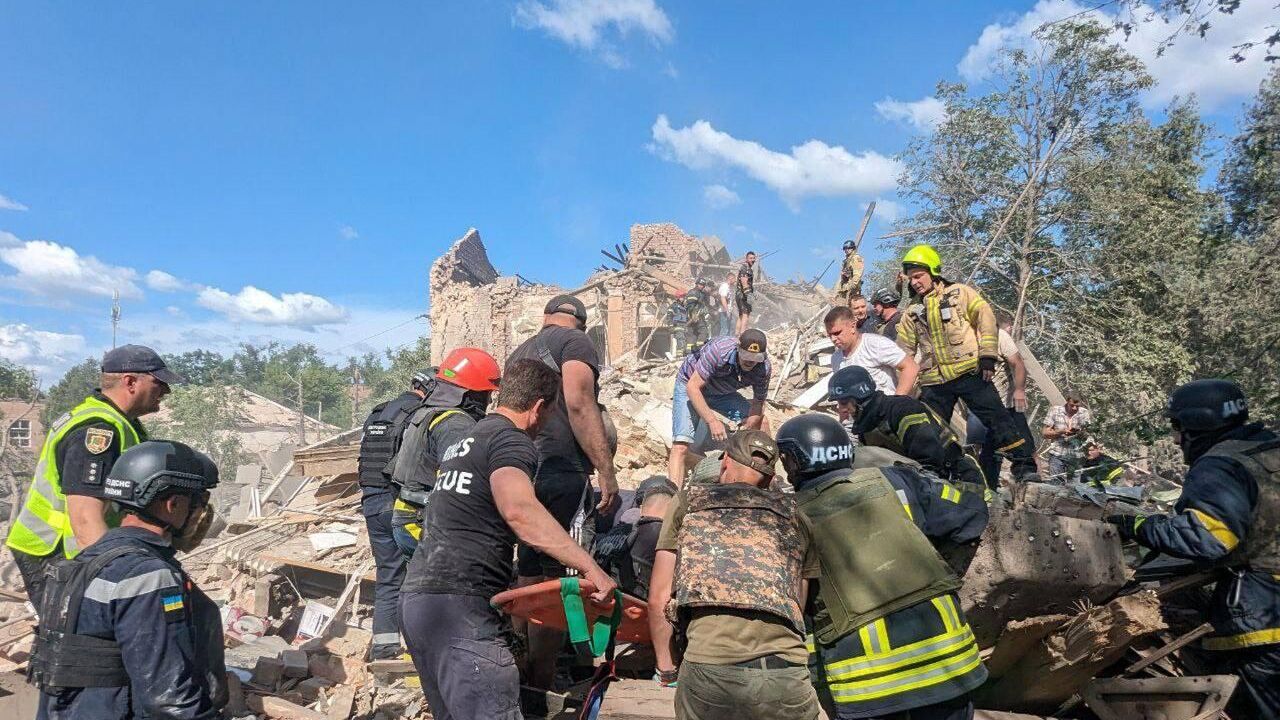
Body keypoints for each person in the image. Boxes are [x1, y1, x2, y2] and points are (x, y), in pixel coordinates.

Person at [400, 359, 617, 720]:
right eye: (549, 416)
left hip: (420, 604)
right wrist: (590, 567)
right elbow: (519, 510)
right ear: (538, 407)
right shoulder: (510, 440)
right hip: (460, 609)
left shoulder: (466, 439)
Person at [776, 414, 987, 720]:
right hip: (950, 668)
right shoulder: (897, 481)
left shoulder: (789, 519)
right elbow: (970, 514)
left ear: (792, 462)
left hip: (867, 689)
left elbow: (797, 611)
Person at [1106, 380, 1279, 719]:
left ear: (1198, 424)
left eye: (1177, 427)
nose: (1175, 438)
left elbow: (1209, 539)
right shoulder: (1269, 449)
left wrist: (1138, 526)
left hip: (1265, 619)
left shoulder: (1221, 465)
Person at [32, 440, 225, 720]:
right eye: (197, 503)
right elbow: (168, 700)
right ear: (173, 504)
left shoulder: (81, 564)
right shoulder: (148, 576)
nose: (200, 514)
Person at [648, 430, 822, 719]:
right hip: (787, 675)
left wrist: (667, 671)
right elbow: (796, 606)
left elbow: (659, 596)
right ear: (770, 479)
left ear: (725, 462)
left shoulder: (688, 502)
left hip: (712, 670)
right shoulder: (797, 516)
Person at [6, 344, 184, 606]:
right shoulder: (96, 431)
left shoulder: (123, 424)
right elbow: (85, 520)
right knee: (72, 635)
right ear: (130, 381)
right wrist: (119, 578)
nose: (166, 391)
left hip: (79, 551)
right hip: (55, 551)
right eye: (159, 383)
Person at [506, 294, 617, 690]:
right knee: (562, 575)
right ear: (581, 323)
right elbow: (580, 402)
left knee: (528, 569)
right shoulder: (576, 343)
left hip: (522, 468)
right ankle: (542, 680)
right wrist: (605, 469)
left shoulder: (520, 350)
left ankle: (518, 660)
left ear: (546, 317)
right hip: (562, 470)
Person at [896, 244, 1038, 482]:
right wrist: (902, 388)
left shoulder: (960, 294)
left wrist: (987, 357)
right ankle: (934, 473)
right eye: (911, 279)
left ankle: (1024, 468)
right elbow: (904, 351)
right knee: (931, 431)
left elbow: (986, 318)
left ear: (933, 271)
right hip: (935, 381)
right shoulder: (911, 312)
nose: (915, 282)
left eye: (919, 276)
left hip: (970, 372)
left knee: (999, 422)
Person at [385, 349, 502, 560]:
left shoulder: (427, 412)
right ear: (471, 394)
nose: (488, 401)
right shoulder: (456, 423)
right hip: (422, 521)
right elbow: (458, 483)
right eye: (487, 394)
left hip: (407, 517)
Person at [357, 373, 428, 659]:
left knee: (389, 576)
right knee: (421, 576)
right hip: (400, 506)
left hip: (371, 503)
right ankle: (419, 647)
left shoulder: (377, 414)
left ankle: (384, 648)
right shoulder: (418, 415)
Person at [829, 365, 987, 490]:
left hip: (960, 479)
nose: (841, 409)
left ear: (859, 397)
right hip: (923, 482)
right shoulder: (867, 425)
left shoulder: (903, 410)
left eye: (843, 402)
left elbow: (930, 460)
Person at [667, 330, 772, 484]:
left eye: (755, 358)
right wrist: (712, 421)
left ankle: (764, 480)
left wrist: (749, 432)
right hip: (691, 385)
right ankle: (673, 497)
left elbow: (758, 403)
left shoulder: (763, 368)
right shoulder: (719, 351)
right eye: (746, 356)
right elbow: (693, 387)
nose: (750, 362)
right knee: (681, 446)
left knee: (761, 424)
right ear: (738, 348)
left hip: (722, 393)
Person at [965, 322, 1036, 486]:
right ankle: (982, 486)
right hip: (980, 403)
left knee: (1022, 442)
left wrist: (1019, 390)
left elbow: (1018, 363)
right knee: (981, 447)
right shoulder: (962, 338)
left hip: (1006, 402)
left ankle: (1026, 476)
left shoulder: (999, 336)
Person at [591, 475, 678, 599]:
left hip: (597, 597)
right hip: (632, 607)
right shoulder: (662, 535)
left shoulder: (617, 530)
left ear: (641, 508)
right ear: (674, 510)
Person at [824, 306, 918, 396]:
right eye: (830, 335)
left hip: (884, 410)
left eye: (837, 333)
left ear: (852, 327)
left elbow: (910, 367)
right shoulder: (836, 359)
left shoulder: (875, 344)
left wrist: (898, 401)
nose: (833, 339)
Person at [1042, 393, 1093, 481]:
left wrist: (1079, 433)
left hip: (1076, 456)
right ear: (1067, 402)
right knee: (1055, 485)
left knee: (1075, 488)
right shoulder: (1055, 410)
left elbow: (1088, 433)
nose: (1074, 408)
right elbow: (1045, 433)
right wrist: (1060, 431)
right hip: (1057, 454)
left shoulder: (1084, 413)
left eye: (1077, 406)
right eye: (1072, 405)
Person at [735, 251, 757, 335]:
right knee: (745, 314)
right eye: (751, 258)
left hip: (740, 294)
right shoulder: (745, 268)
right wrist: (749, 294)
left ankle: (737, 335)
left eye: (754, 258)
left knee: (741, 315)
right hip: (743, 295)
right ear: (746, 259)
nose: (753, 260)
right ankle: (742, 335)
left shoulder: (748, 268)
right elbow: (744, 281)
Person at [665, 290, 691, 357]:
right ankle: (679, 357)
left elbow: (687, 317)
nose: (684, 298)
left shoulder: (685, 307)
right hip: (677, 326)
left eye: (684, 297)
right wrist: (670, 326)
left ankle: (687, 356)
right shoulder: (673, 306)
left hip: (685, 326)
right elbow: (669, 317)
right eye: (682, 297)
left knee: (688, 342)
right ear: (678, 298)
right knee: (681, 340)